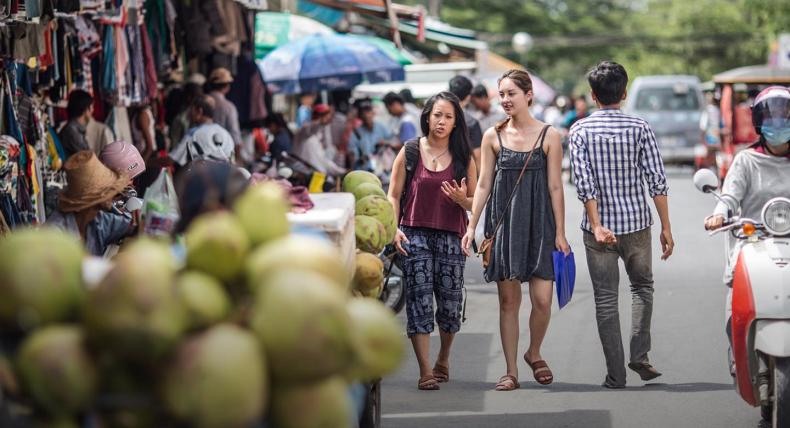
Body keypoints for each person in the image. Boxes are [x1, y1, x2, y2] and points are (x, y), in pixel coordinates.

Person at [462, 69, 569, 391]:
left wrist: (560, 233)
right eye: (502, 94)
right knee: (508, 303)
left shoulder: (549, 135)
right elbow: (483, 184)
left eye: (511, 93)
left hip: (541, 224)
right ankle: (510, 371)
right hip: (504, 225)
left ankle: (533, 351)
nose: (505, 100)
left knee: (543, 301)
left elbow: (555, 188)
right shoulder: (492, 135)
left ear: (528, 96)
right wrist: (471, 226)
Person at [569, 61, 674, 389]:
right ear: (624, 93)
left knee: (605, 299)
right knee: (642, 287)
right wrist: (666, 227)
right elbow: (656, 181)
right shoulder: (640, 127)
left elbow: (584, 184)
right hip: (637, 226)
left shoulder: (579, 131)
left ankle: (616, 375)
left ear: (592, 96)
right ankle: (639, 355)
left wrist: (598, 224)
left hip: (597, 232)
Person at [387, 91, 478, 391]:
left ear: (456, 123)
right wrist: (393, 228)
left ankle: (444, 357)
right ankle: (425, 370)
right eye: (437, 115)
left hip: (451, 236)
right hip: (415, 234)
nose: (441, 121)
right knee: (419, 301)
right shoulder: (410, 151)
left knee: (450, 306)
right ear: (427, 117)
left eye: (448, 117)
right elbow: (393, 194)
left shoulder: (465, 158)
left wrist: (461, 200)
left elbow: (475, 202)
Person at [703, 86, 790, 375]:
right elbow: (729, 197)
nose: (779, 124)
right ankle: (737, 349)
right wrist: (719, 214)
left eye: (785, 117)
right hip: (755, 239)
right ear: (759, 123)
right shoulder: (746, 160)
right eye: (772, 118)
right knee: (738, 295)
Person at [46, 151, 135, 256]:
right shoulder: (54, 234)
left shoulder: (98, 220)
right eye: (108, 191)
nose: (113, 194)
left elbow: (128, 227)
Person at [170, 95, 236, 167]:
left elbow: (172, 159)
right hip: (225, 176)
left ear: (199, 111)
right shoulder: (226, 134)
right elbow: (232, 161)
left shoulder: (194, 133)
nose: (190, 115)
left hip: (203, 177)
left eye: (192, 111)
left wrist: (155, 161)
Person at [448, 76, 484, 171]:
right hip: (462, 176)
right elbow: (477, 157)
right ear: (468, 97)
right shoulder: (471, 122)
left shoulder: (438, 117)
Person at [348, 101, 392, 172]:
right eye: (364, 113)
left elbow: (391, 142)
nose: (367, 115)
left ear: (373, 113)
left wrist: (385, 143)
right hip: (364, 170)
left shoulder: (381, 128)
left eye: (369, 111)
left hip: (382, 170)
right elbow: (352, 154)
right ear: (360, 116)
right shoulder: (356, 133)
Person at [207, 68, 243, 152]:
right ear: (227, 86)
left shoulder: (202, 101)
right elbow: (235, 135)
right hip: (223, 153)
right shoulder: (228, 107)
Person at [59, 90, 94, 159]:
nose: (93, 110)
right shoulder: (72, 131)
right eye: (92, 107)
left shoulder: (75, 128)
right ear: (86, 109)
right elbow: (88, 158)